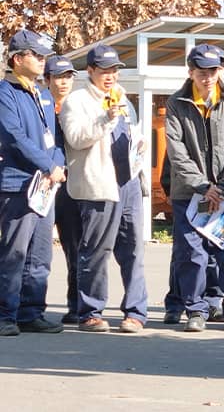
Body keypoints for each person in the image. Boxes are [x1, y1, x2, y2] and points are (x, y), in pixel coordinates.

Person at [59, 44, 148, 333]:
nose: (110, 76)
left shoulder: (123, 98)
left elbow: (132, 132)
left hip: (129, 183)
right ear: (90, 71)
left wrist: (140, 144)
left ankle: (136, 312)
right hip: (99, 185)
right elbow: (75, 138)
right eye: (104, 71)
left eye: (114, 70)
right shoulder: (77, 101)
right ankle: (90, 312)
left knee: (133, 250)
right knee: (96, 251)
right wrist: (105, 119)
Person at [165, 43, 224, 333]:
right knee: (192, 254)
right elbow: (176, 152)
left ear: (221, 70)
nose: (208, 77)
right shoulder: (176, 103)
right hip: (189, 194)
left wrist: (221, 188)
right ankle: (196, 310)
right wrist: (203, 186)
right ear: (190, 72)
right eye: (202, 71)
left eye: (213, 70)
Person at [0, 29, 65, 336]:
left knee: (40, 254)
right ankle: (5, 314)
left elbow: (55, 138)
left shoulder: (43, 94)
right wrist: (48, 165)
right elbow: (14, 138)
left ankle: (31, 311)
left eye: (43, 56)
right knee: (14, 254)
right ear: (17, 59)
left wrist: (58, 164)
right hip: (19, 185)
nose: (42, 61)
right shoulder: (5, 93)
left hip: (45, 186)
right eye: (36, 55)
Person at [44, 55, 82, 325]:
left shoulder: (79, 106)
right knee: (34, 249)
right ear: (47, 79)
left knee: (75, 247)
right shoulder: (39, 105)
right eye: (58, 76)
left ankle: (77, 305)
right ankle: (25, 306)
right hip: (42, 183)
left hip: (71, 185)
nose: (64, 82)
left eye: (68, 76)